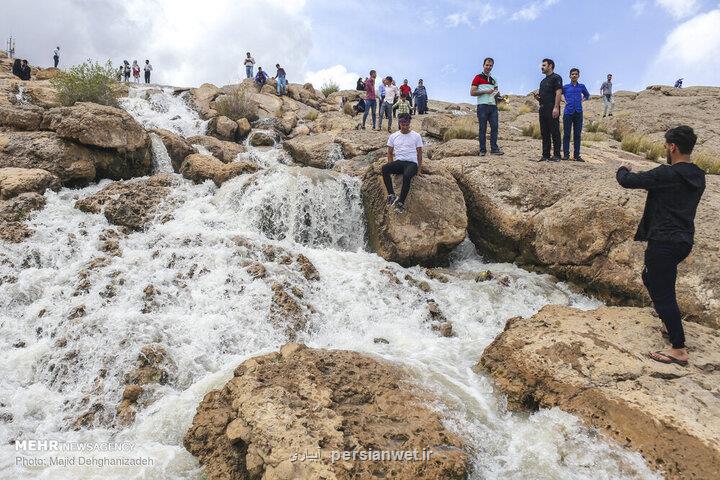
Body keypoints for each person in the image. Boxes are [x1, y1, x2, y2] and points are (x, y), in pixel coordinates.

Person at [616, 126, 705, 367]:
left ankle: (678, 349)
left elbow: (628, 181)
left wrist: (623, 167)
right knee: (650, 277)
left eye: (666, 146)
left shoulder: (667, 175)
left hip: (664, 241)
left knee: (664, 293)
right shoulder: (698, 175)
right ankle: (668, 322)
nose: (666, 150)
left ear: (672, 146)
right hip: (683, 241)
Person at [382, 113, 423, 213]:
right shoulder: (393, 136)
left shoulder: (416, 136)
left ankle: (401, 203)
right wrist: (391, 166)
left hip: (411, 163)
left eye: (407, 125)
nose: (405, 127)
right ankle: (391, 195)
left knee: (407, 175)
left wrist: (419, 169)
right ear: (399, 123)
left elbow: (419, 153)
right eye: (403, 124)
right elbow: (390, 153)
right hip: (399, 162)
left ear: (409, 124)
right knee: (385, 168)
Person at [471, 57, 504, 156]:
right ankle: (482, 150)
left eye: (490, 66)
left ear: (492, 66)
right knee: (482, 128)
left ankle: (494, 149)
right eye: (487, 65)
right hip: (482, 106)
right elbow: (472, 92)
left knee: (495, 127)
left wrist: (500, 97)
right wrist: (485, 91)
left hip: (493, 106)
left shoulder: (494, 80)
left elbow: (496, 92)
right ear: (483, 65)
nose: (488, 67)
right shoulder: (478, 77)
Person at [533, 58, 563, 161]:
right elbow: (542, 97)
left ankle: (557, 155)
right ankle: (545, 155)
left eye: (544, 65)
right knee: (544, 132)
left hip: (552, 108)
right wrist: (538, 98)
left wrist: (556, 107)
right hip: (543, 109)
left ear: (550, 66)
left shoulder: (556, 78)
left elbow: (558, 93)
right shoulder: (542, 81)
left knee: (555, 132)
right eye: (542, 65)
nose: (542, 67)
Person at [562, 68, 590, 161]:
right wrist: (563, 100)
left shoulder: (581, 86)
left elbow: (587, 95)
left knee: (577, 135)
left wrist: (582, 100)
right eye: (572, 74)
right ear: (570, 76)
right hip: (568, 113)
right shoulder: (565, 87)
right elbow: (558, 94)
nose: (574, 75)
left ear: (578, 76)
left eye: (576, 74)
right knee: (566, 134)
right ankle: (566, 155)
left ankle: (577, 156)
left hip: (578, 112)